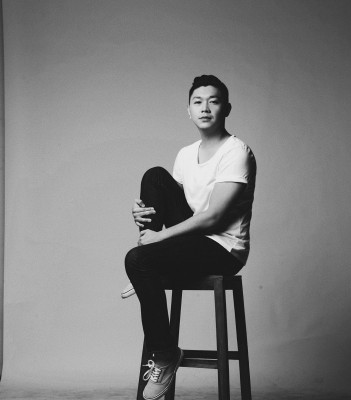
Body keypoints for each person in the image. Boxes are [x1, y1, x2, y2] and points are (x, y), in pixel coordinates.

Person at [124, 75, 256, 400]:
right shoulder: (185, 154)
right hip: (192, 243)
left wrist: (158, 241)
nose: (205, 108)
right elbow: (174, 207)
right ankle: (147, 266)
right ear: (189, 110)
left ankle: (165, 353)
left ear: (226, 108)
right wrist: (143, 215)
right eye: (198, 102)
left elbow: (213, 218)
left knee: (137, 260)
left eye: (213, 101)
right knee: (155, 176)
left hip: (223, 249)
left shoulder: (236, 152)